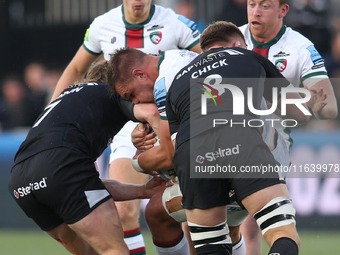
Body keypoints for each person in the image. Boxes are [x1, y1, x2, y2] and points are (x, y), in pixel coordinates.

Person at [107, 21, 314, 254]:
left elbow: (173, 152)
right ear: (236, 45)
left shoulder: (172, 82)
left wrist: (138, 161)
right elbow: (300, 113)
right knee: (281, 233)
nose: (136, 103)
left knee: (202, 240)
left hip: (196, 157)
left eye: (131, 95)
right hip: (245, 146)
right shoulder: (246, 57)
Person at [49, 1, 202, 252]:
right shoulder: (102, 25)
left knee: (190, 213)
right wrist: (52, 116)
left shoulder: (175, 23)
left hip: (170, 119)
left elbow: (210, 54)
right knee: (122, 212)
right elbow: (77, 68)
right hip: (127, 123)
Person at [8, 60, 166, 255]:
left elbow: (85, 185)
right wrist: (171, 153)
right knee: (113, 249)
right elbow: (152, 112)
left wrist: (142, 190)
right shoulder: (109, 92)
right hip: (59, 165)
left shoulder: (65, 99)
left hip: (20, 182)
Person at [238, 1, 338, 253]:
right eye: (252, 4)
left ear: (283, 11)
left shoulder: (300, 48)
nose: (256, 11)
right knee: (207, 223)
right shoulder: (232, 38)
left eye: (265, 5)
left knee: (251, 224)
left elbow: (329, 109)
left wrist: (309, 101)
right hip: (225, 139)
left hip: (270, 148)